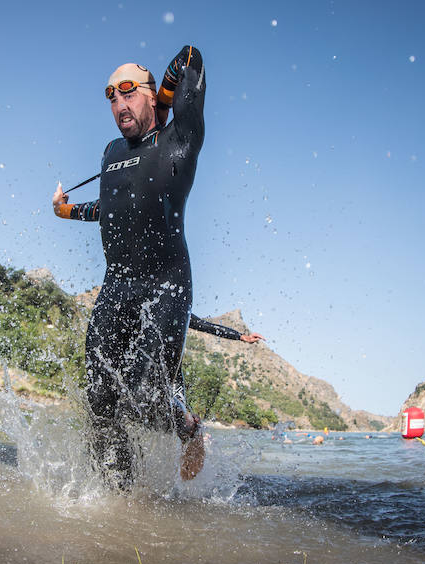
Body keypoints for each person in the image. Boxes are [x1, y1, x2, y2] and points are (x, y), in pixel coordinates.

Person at [52, 46, 263, 489]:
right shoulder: (110, 152)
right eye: (110, 95)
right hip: (116, 288)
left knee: (148, 396)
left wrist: (166, 101)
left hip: (166, 286)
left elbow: (192, 56)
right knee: (99, 400)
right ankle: (119, 500)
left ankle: (189, 429)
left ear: (151, 96)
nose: (118, 104)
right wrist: (66, 213)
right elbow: (113, 207)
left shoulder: (178, 141)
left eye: (128, 91)